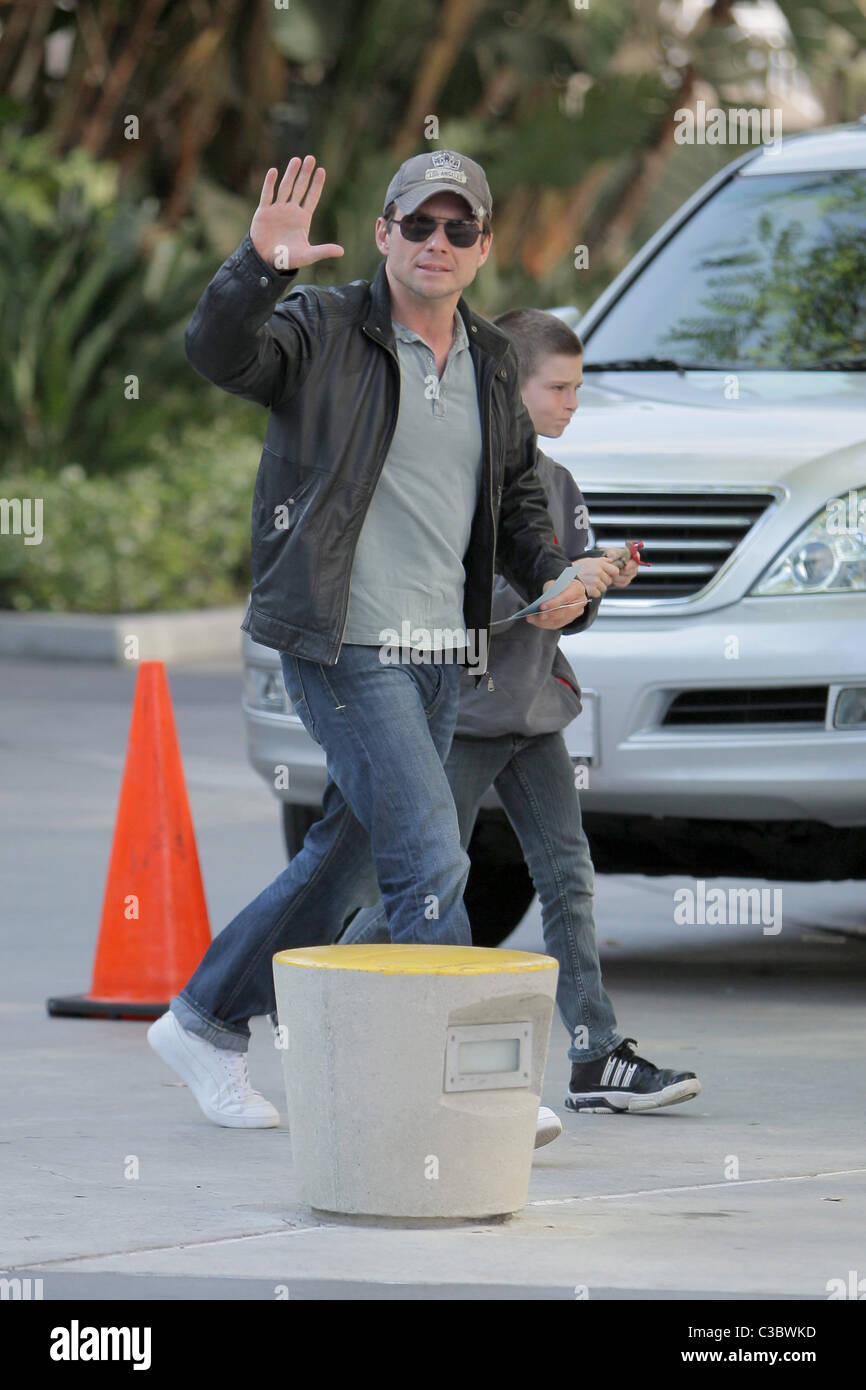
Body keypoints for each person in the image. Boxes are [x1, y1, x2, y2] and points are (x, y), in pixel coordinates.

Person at [147, 151, 590, 1137]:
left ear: (480, 246)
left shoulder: (489, 362)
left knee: (345, 860)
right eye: (416, 224)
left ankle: (205, 1021)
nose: (436, 243)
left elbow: (519, 503)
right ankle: (466, 1089)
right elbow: (220, 355)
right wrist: (257, 271)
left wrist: (554, 576)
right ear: (383, 232)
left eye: (457, 228)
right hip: (341, 638)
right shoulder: (317, 329)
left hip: (441, 653)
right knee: (432, 857)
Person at [342, 308, 702, 1115]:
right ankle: (327, 995)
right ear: (507, 384)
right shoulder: (452, 474)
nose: (574, 403)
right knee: (430, 887)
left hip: (534, 715)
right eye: (560, 388)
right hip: (463, 716)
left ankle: (595, 1055)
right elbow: (439, 590)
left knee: (569, 879)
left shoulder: (561, 485)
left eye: (579, 389)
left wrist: (589, 588)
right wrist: (535, 593)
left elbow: (563, 601)